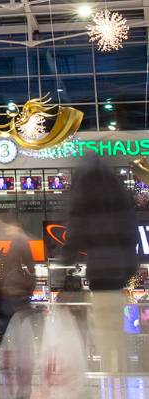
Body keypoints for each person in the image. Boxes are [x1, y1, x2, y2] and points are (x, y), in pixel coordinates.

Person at [63, 158, 138, 373]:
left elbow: (75, 230)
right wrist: (128, 266)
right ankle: (123, 377)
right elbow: (131, 232)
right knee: (118, 333)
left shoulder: (86, 189)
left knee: (105, 333)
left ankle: (112, 380)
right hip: (119, 275)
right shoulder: (118, 191)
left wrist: (65, 260)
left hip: (100, 275)